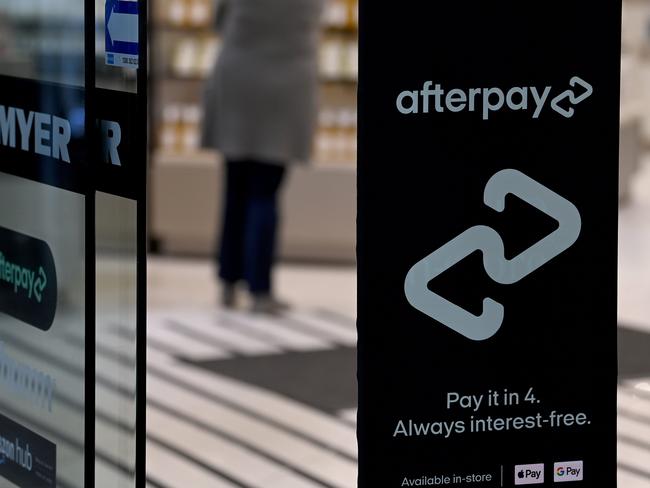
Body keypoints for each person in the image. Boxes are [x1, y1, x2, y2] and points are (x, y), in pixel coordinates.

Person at [202, 0, 324, 313]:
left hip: (239, 78)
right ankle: (260, 289)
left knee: (235, 184)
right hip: (287, 85)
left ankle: (228, 280)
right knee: (265, 191)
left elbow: (217, 20)